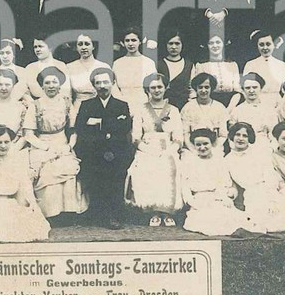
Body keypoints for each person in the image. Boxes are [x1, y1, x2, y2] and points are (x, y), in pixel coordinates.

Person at [72, 68, 134, 229]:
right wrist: (111, 123)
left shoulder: (122, 105)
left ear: (112, 83)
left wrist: (98, 122)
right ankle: (98, 214)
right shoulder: (86, 105)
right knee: (95, 179)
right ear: (93, 85)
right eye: (98, 83)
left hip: (116, 150)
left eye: (105, 82)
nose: (102, 86)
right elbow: (81, 128)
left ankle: (114, 215)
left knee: (115, 179)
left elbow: (125, 127)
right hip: (94, 151)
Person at [25, 67, 89, 219]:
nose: (51, 85)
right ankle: (51, 212)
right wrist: (45, 147)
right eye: (48, 82)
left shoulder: (66, 103)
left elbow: (73, 131)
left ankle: (69, 211)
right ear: (42, 86)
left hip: (63, 143)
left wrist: (68, 146)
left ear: (60, 85)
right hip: (42, 144)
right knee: (47, 170)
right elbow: (28, 134)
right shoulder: (36, 104)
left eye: (55, 82)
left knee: (69, 166)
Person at [127, 73, 184, 226]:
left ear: (166, 88)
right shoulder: (140, 109)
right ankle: (154, 212)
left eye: (160, 87)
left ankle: (167, 212)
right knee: (148, 168)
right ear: (147, 90)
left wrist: (171, 150)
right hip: (146, 148)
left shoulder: (174, 110)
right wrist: (146, 149)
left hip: (168, 148)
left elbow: (178, 135)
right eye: (153, 87)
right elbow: (136, 135)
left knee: (169, 168)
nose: (157, 90)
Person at [179, 128, 256, 236]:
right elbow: (185, 187)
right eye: (198, 144)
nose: (202, 147)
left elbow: (225, 184)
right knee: (206, 220)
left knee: (230, 218)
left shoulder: (219, 162)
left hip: (218, 198)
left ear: (212, 144)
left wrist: (226, 197)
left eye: (205, 143)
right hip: (200, 200)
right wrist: (194, 203)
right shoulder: (190, 163)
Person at [180, 73, 229, 152]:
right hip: (193, 149)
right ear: (196, 88)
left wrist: (212, 150)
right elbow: (186, 133)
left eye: (206, 87)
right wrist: (194, 150)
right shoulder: (188, 107)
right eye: (200, 87)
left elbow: (223, 135)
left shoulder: (219, 107)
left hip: (214, 149)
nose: (203, 90)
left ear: (211, 88)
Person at [112, 27, 157, 112]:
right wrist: (120, 103)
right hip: (121, 103)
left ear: (139, 42)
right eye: (127, 41)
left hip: (143, 103)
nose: (130, 44)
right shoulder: (117, 63)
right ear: (123, 43)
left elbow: (153, 86)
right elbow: (114, 87)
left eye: (133, 40)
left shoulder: (148, 62)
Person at [191, 34, 241, 107]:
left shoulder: (232, 64)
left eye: (218, 42)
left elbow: (237, 89)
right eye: (211, 43)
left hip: (231, 102)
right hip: (209, 103)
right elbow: (197, 88)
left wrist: (231, 107)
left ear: (223, 44)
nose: (215, 46)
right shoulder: (201, 65)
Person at [242, 31, 285, 104]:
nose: (265, 48)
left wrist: (281, 103)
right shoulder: (250, 64)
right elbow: (246, 87)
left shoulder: (281, 65)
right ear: (257, 46)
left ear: (274, 44)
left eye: (268, 44)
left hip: (277, 102)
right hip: (256, 102)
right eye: (261, 45)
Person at [228, 73, 275, 139]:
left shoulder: (269, 110)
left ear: (261, 88)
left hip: (265, 145)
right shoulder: (237, 111)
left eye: (255, 87)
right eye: (247, 88)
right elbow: (232, 136)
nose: (251, 91)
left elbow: (273, 134)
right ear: (243, 90)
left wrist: (271, 148)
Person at [157, 32, 195, 111]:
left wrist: (190, 106)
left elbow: (192, 89)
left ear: (182, 45)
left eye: (177, 44)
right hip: (163, 106)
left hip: (184, 106)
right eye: (170, 44)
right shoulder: (158, 64)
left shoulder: (189, 65)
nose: (174, 47)